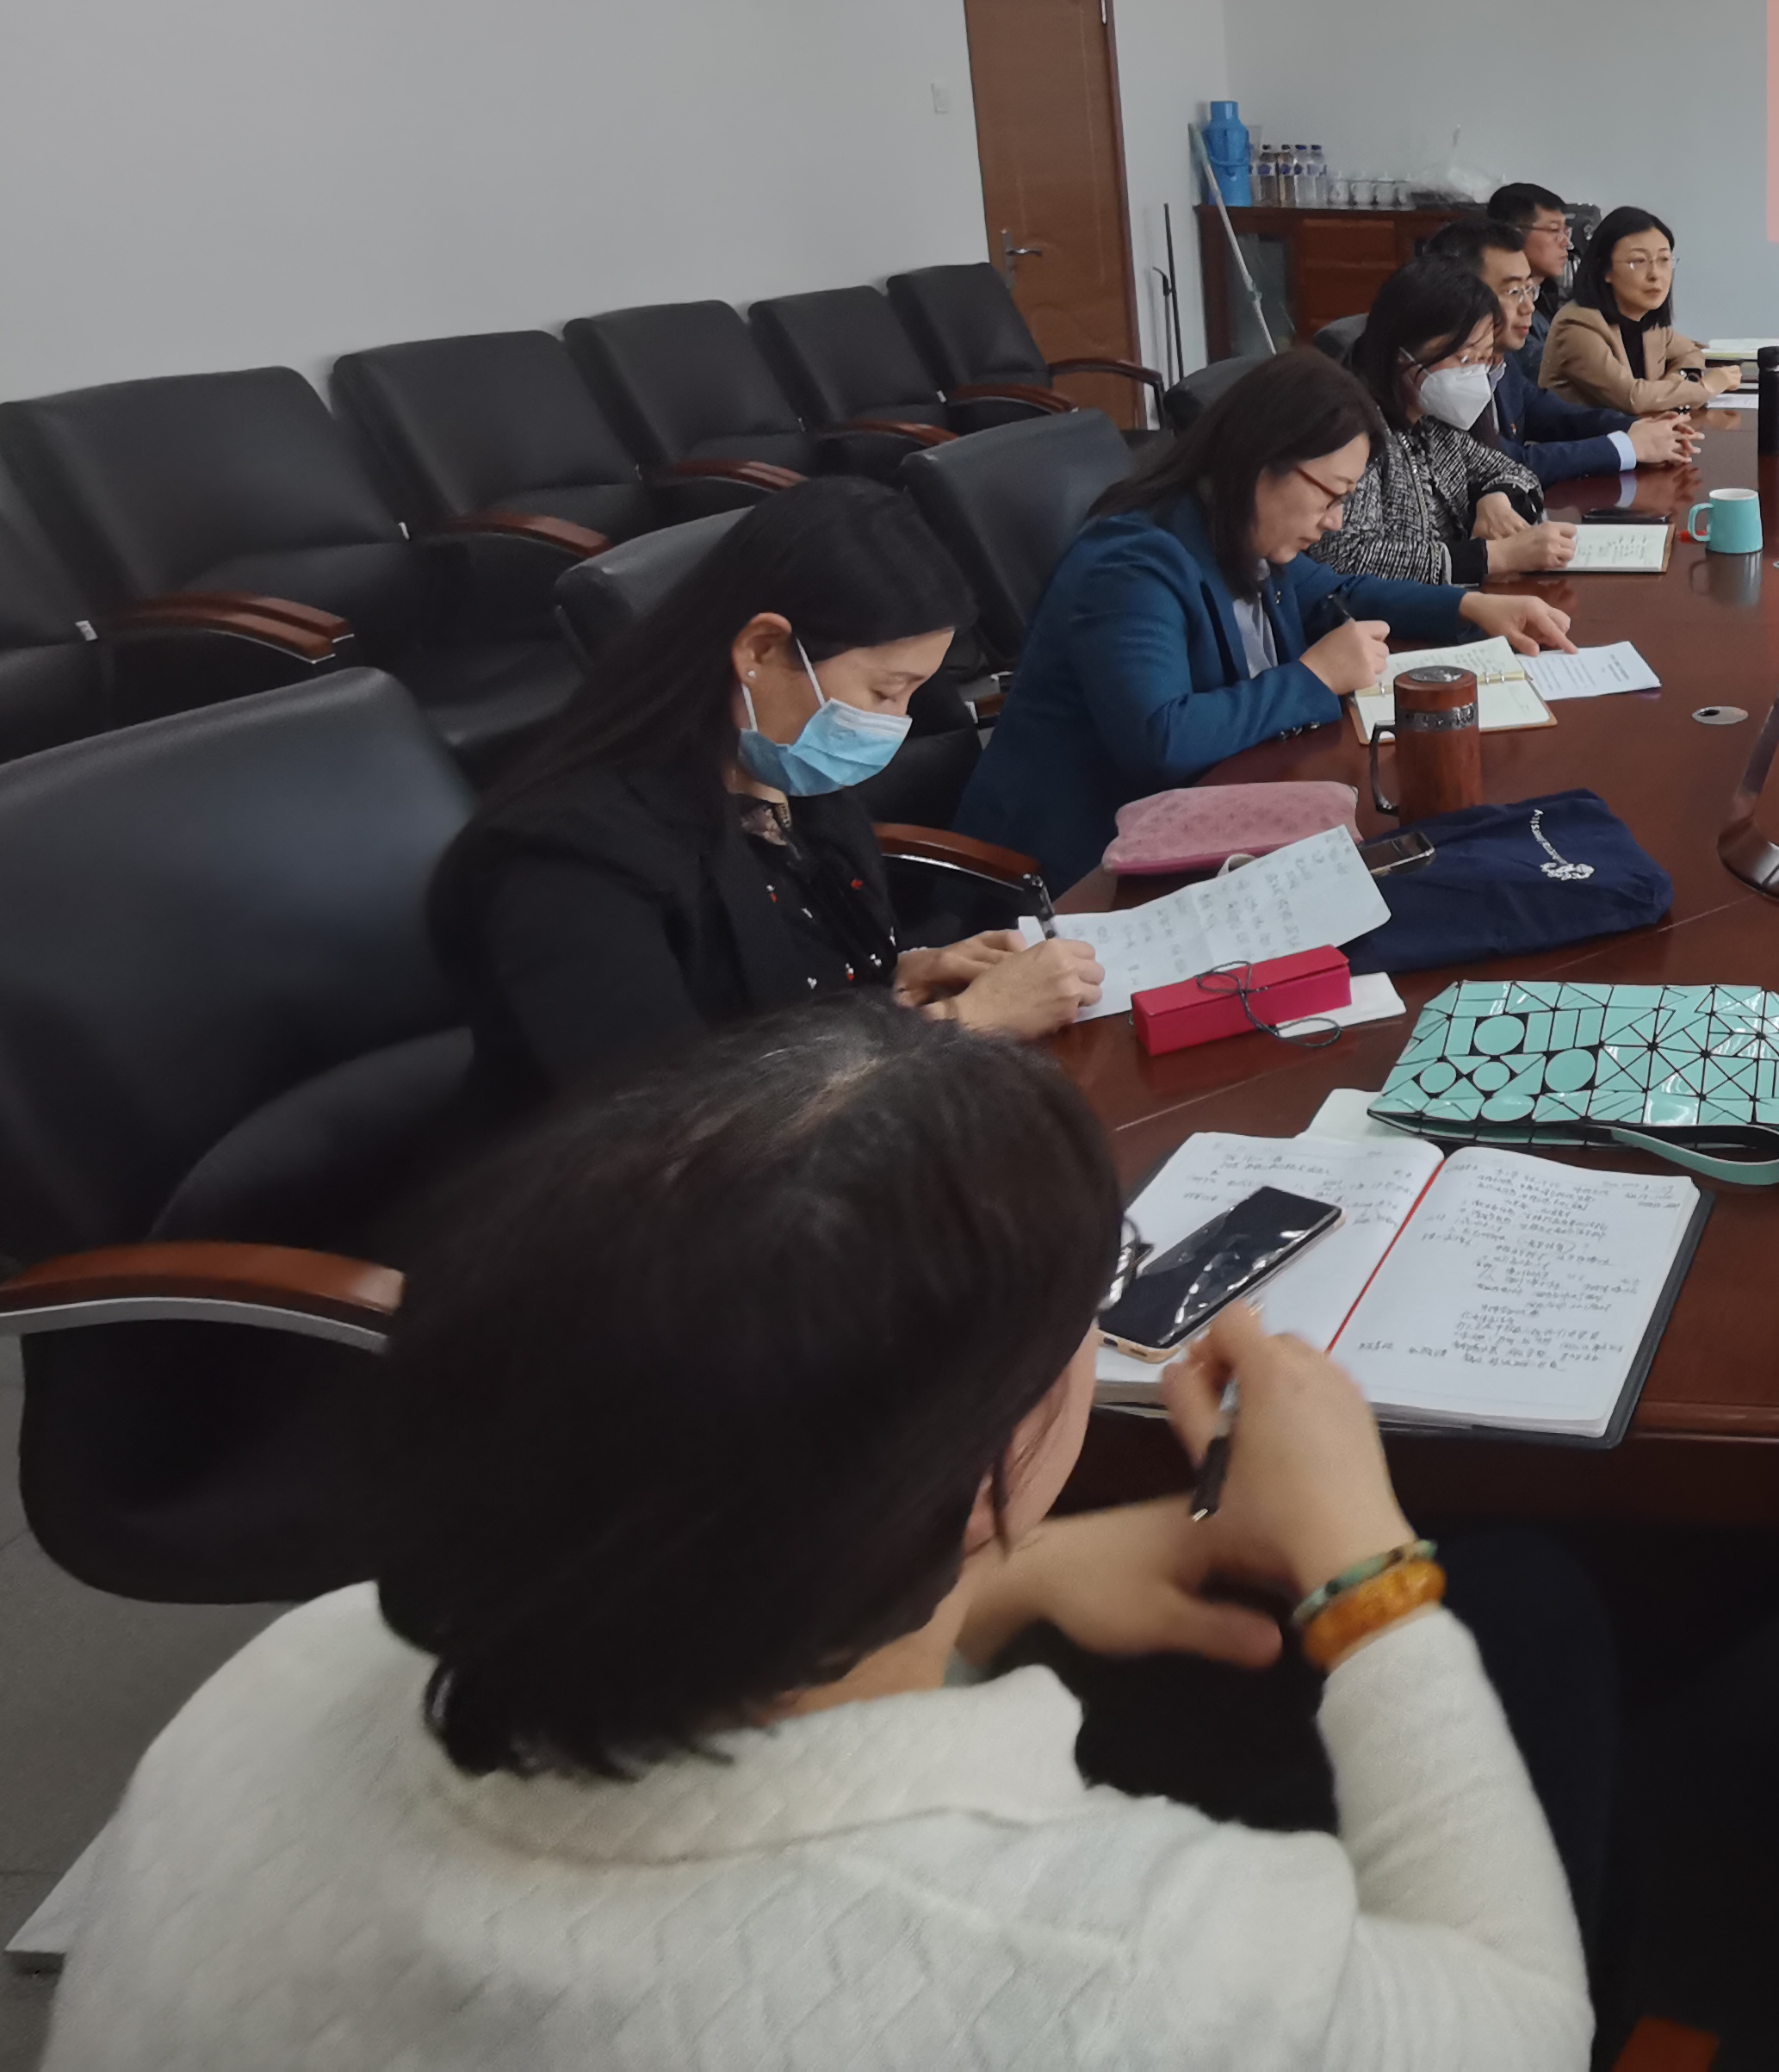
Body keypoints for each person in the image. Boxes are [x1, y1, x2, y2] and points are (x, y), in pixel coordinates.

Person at [45, 1002, 1592, 2071]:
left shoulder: (289, 1670)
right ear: (990, 1454)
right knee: (1533, 1616)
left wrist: (1020, 1572)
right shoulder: (1119, 1964)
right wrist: (1369, 1575)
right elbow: (1521, 2021)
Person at [434, 476, 1101, 1107]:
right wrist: (963, 1024)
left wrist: (899, 980)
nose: (897, 722)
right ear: (760, 650)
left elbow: (782, 1003)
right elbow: (674, 1127)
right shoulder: (566, 865)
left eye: (913, 694)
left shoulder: (786, 782)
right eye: (884, 691)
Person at [958, 350, 1573, 892]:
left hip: (1204, 818)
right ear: (1260, 462)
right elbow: (1159, 740)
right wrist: (1314, 677)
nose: (1335, 521)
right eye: (1330, 495)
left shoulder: (1240, 530)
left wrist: (1469, 606)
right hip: (1078, 874)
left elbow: (1337, 591)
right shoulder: (1132, 564)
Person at [1327, 257, 1579, 588]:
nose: (1475, 373)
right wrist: (1491, 557)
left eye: (1484, 358)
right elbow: (1346, 556)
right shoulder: (1353, 432)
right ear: (1402, 350)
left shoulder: (1432, 422)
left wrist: (1496, 499)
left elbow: (1513, 471)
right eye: (1464, 357)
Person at [1423, 214, 1700, 484]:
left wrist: (1636, 428)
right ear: (1461, 294)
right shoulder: (1441, 378)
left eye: (1529, 290)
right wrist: (1627, 447)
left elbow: (1557, 417)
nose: (1528, 307)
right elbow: (1500, 462)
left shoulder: (1501, 363)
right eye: (1513, 292)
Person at [1538, 204, 1714, 417]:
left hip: (1642, 434)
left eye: (1664, 260)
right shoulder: (1577, 326)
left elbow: (1691, 353)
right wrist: (1706, 388)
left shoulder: (1647, 323)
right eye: (1638, 261)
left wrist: (1677, 380)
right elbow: (1632, 398)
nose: (1655, 274)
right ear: (1605, 269)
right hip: (1587, 438)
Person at [1486, 181, 1576, 385]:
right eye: (1555, 230)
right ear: (1514, 234)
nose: (1567, 243)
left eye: (1566, 232)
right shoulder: (1496, 307)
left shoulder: (1548, 297)